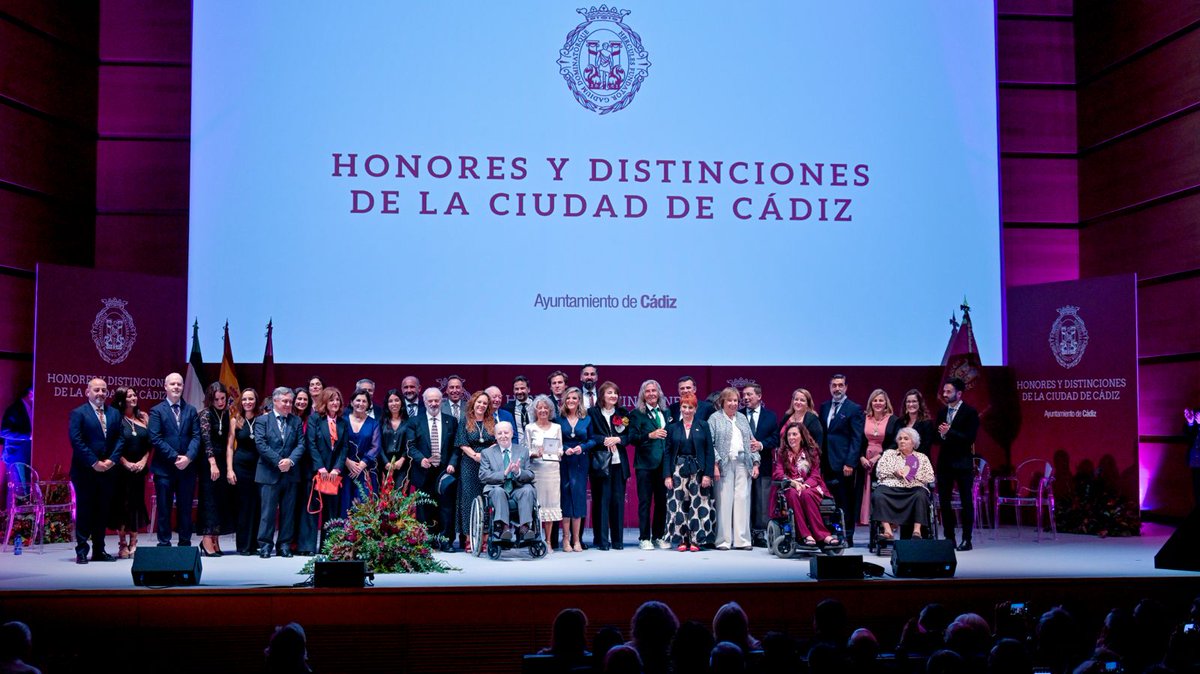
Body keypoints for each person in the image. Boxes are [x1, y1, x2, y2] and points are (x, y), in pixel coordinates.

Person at [67, 378, 123, 563]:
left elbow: (120, 439)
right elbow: (77, 441)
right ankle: (82, 551)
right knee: (85, 510)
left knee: (102, 511)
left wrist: (111, 461)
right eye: (96, 390)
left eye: (103, 390)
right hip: (85, 471)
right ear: (87, 392)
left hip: (108, 471)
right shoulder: (78, 413)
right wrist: (94, 462)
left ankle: (99, 550)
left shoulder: (114, 413)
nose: (100, 393)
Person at [148, 372, 201, 548]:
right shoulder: (156, 410)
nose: (176, 387)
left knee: (185, 509)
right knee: (164, 508)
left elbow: (196, 437)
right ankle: (164, 542)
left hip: (187, 469)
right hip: (164, 469)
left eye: (179, 384)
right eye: (173, 384)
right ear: (165, 386)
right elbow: (155, 438)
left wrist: (188, 457)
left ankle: (185, 543)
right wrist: (174, 457)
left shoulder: (191, 410)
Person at [403, 387, 458, 551]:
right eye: (430, 400)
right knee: (424, 508)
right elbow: (410, 446)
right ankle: (426, 540)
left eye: (437, 400)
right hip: (423, 471)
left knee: (446, 507)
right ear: (424, 401)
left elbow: (456, 447)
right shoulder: (414, 421)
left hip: (444, 471)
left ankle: (446, 540)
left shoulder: (451, 421)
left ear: (442, 401)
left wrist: (452, 463)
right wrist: (421, 460)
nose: (434, 403)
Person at [253, 386, 305, 558]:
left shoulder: (296, 421)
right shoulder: (262, 420)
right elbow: (260, 444)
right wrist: (278, 461)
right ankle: (265, 545)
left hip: (290, 473)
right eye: (285, 401)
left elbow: (301, 444)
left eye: (290, 401)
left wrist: (290, 461)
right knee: (267, 513)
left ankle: (284, 545)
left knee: (288, 512)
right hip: (269, 472)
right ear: (275, 401)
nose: (288, 404)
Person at [663, 393, 715, 551]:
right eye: (684, 407)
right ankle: (681, 540)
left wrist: (708, 474)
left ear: (695, 409)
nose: (687, 410)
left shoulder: (703, 425)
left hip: (698, 470)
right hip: (678, 470)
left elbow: (709, 451)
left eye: (690, 407)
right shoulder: (672, 427)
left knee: (697, 504)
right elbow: (667, 452)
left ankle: (696, 540)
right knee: (678, 505)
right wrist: (667, 475)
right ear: (680, 408)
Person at [709, 387, 760, 550]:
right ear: (722, 401)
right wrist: (715, 464)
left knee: (742, 500)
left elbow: (752, 442)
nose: (733, 403)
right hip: (724, 465)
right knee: (724, 502)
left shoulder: (743, 418)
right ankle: (723, 541)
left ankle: (742, 540)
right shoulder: (715, 418)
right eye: (729, 400)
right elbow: (710, 444)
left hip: (743, 464)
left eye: (736, 401)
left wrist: (756, 462)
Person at [933, 377, 980, 551]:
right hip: (945, 462)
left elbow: (969, 438)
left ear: (959, 394)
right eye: (944, 391)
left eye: (948, 392)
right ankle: (949, 537)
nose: (945, 395)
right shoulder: (941, 413)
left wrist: (949, 432)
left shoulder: (970, 412)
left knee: (966, 501)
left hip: (962, 463)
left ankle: (967, 539)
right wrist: (943, 434)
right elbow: (937, 437)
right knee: (944, 502)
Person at [772, 422, 837, 546]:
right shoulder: (782, 453)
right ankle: (806, 534)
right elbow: (778, 473)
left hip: (810, 486)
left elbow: (815, 475)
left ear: (802, 436)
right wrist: (792, 482)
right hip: (790, 487)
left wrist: (805, 485)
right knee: (792, 494)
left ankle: (823, 535)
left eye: (795, 434)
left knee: (806, 494)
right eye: (789, 435)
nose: (791, 437)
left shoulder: (812, 452)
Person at [819, 374, 864, 547]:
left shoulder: (854, 408)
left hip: (844, 464)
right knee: (829, 501)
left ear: (846, 387)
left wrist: (850, 463)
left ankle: (848, 536)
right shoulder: (824, 407)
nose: (837, 388)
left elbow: (856, 438)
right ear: (830, 387)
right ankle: (831, 533)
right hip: (827, 462)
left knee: (846, 501)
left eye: (840, 385)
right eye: (834, 385)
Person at [302, 387, 347, 555]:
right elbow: (311, 444)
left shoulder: (342, 422)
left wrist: (336, 468)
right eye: (331, 400)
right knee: (313, 508)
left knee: (332, 511)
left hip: (334, 473)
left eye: (337, 400)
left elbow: (344, 448)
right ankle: (308, 547)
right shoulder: (314, 419)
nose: (335, 403)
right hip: (317, 471)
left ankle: (328, 546)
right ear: (324, 402)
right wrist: (320, 467)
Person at [629, 379, 672, 550]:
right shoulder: (636, 414)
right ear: (642, 395)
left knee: (662, 502)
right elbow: (632, 438)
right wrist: (650, 435)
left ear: (659, 393)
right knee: (645, 502)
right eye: (648, 391)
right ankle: (644, 538)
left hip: (664, 465)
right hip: (645, 465)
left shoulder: (666, 412)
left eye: (654, 390)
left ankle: (658, 536)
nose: (651, 394)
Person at [872, 427, 935, 541]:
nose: (902, 441)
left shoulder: (921, 457)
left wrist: (913, 474)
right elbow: (880, 471)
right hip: (891, 487)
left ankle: (917, 531)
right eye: (900, 438)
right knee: (878, 494)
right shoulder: (889, 454)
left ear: (914, 442)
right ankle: (887, 531)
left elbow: (930, 476)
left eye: (906, 439)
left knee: (920, 495)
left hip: (913, 488)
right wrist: (895, 473)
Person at [588, 381, 630, 550]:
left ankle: (618, 541)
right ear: (602, 396)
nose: (613, 396)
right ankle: (602, 541)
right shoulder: (593, 413)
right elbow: (590, 435)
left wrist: (618, 439)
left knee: (618, 502)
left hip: (619, 463)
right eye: (609, 393)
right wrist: (604, 440)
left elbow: (629, 436)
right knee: (601, 502)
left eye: (615, 393)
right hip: (601, 463)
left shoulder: (623, 413)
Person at [109, 387, 150, 558]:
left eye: (134, 395)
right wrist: (125, 463)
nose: (133, 397)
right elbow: (112, 446)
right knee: (122, 506)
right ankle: (122, 543)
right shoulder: (116, 419)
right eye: (129, 396)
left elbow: (149, 445)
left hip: (139, 471)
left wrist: (143, 461)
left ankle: (134, 541)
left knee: (136, 505)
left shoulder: (143, 418)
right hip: (121, 471)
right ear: (121, 400)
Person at [479, 421, 537, 541]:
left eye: (506, 432)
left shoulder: (523, 451)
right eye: (499, 433)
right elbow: (483, 475)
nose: (503, 436)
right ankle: (504, 528)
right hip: (497, 488)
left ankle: (524, 528)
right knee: (498, 492)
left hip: (517, 488)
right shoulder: (487, 453)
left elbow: (530, 474)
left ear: (512, 434)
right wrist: (504, 474)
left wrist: (518, 472)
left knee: (528, 489)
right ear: (495, 436)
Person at [455, 390, 495, 552]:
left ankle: (484, 539)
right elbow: (462, 442)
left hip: (488, 464)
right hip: (469, 465)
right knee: (468, 500)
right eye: (479, 402)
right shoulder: (465, 420)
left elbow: (497, 441)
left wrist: (484, 455)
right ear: (473, 403)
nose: (481, 405)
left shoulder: (491, 421)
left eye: (485, 403)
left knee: (486, 501)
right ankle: (469, 539)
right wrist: (475, 455)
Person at [741, 384, 779, 547]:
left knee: (761, 501)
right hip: (741, 465)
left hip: (763, 466)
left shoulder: (770, 416)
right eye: (744, 395)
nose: (746, 398)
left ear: (759, 396)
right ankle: (743, 532)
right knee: (743, 499)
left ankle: (759, 534)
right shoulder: (738, 415)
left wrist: (761, 445)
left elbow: (776, 438)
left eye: (749, 394)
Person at [557, 387, 594, 552]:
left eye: (574, 398)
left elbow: (593, 439)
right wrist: (564, 447)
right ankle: (565, 539)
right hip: (564, 461)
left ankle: (577, 539)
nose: (571, 401)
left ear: (579, 400)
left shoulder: (587, 419)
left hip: (580, 461)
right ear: (564, 400)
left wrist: (583, 447)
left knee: (578, 499)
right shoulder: (559, 419)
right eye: (568, 398)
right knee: (565, 498)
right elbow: (554, 439)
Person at [197, 382, 231, 557]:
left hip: (222, 462)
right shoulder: (204, 414)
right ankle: (206, 539)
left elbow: (227, 442)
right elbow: (206, 440)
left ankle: (216, 538)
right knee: (209, 501)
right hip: (208, 462)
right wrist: (212, 463)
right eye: (216, 399)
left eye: (223, 398)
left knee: (219, 501)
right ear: (210, 399)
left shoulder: (226, 414)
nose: (220, 402)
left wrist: (226, 466)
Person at [225, 387, 261, 555]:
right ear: (241, 401)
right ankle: (243, 545)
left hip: (259, 468)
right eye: (245, 399)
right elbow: (230, 447)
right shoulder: (235, 420)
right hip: (241, 467)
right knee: (243, 507)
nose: (248, 402)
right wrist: (230, 469)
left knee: (257, 506)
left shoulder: (262, 419)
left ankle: (254, 543)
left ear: (256, 401)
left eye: (251, 399)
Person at [526, 394, 563, 551]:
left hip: (552, 470)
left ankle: (548, 541)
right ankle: (536, 539)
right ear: (535, 410)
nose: (542, 410)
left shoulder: (557, 427)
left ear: (550, 410)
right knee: (537, 506)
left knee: (551, 505)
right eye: (539, 408)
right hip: (536, 470)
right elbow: (526, 450)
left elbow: (560, 448)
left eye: (545, 408)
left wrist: (555, 452)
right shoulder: (530, 427)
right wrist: (535, 453)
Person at [858, 388, 899, 527]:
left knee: (881, 493)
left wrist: (879, 457)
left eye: (881, 400)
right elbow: (858, 439)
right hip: (864, 461)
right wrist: (861, 457)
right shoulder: (864, 418)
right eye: (875, 400)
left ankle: (885, 524)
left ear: (886, 402)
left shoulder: (893, 420)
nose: (878, 403)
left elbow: (895, 442)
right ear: (871, 403)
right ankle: (868, 521)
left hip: (885, 459)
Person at [341, 388, 381, 516]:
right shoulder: (342, 420)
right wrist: (347, 462)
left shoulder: (373, 423)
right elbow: (337, 444)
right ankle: (344, 535)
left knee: (364, 505)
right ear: (352, 402)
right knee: (345, 504)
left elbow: (376, 447)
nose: (361, 403)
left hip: (366, 471)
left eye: (364, 401)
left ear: (369, 404)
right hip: (345, 470)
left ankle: (363, 536)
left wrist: (362, 464)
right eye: (358, 400)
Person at [292, 387, 320, 554]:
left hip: (309, 469)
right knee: (291, 508)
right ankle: (291, 543)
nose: (301, 402)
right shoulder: (288, 419)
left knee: (308, 507)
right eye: (299, 399)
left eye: (305, 400)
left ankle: (307, 546)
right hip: (291, 469)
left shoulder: (313, 419)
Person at [379, 388, 410, 488]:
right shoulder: (381, 422)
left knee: (400, 497)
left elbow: (410, 443)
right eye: (390, 401)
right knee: (385, 499)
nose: (394, 403)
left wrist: (402, 459)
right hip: (384, 465)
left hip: (403, 465)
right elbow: (378, 444)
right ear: (387, 404)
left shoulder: (409, 422)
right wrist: (386, 462)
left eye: (397, 400)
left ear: (401, 402)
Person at [0, 384, 32, 473]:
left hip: (27, 455)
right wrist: (28, 435)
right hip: (15, 455)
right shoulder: (15, 408)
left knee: (29, 484)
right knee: (20, 486)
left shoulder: (33, 409)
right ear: (31, 393)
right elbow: (4, 432)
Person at [899, 389, 936, 457]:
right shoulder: (901, 421)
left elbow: (926, 447)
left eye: (914, 401)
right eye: (908, 402)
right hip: (901, 459)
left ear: (920, 403)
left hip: (919, 460)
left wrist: (909, 456)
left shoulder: (927, 423)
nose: (911, 404)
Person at [504, 376, 536, 445]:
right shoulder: (507, 408)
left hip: (536, 447)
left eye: (522, 388)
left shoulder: (537, 406)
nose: (519, 391)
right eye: (516, 389)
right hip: (516, 448)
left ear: (528, 389)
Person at [1184, 405, 1200, 506]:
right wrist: (1190, 422)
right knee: (1197, 491)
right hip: (1195, 462)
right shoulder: (1197, 411)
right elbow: (1188, 438)